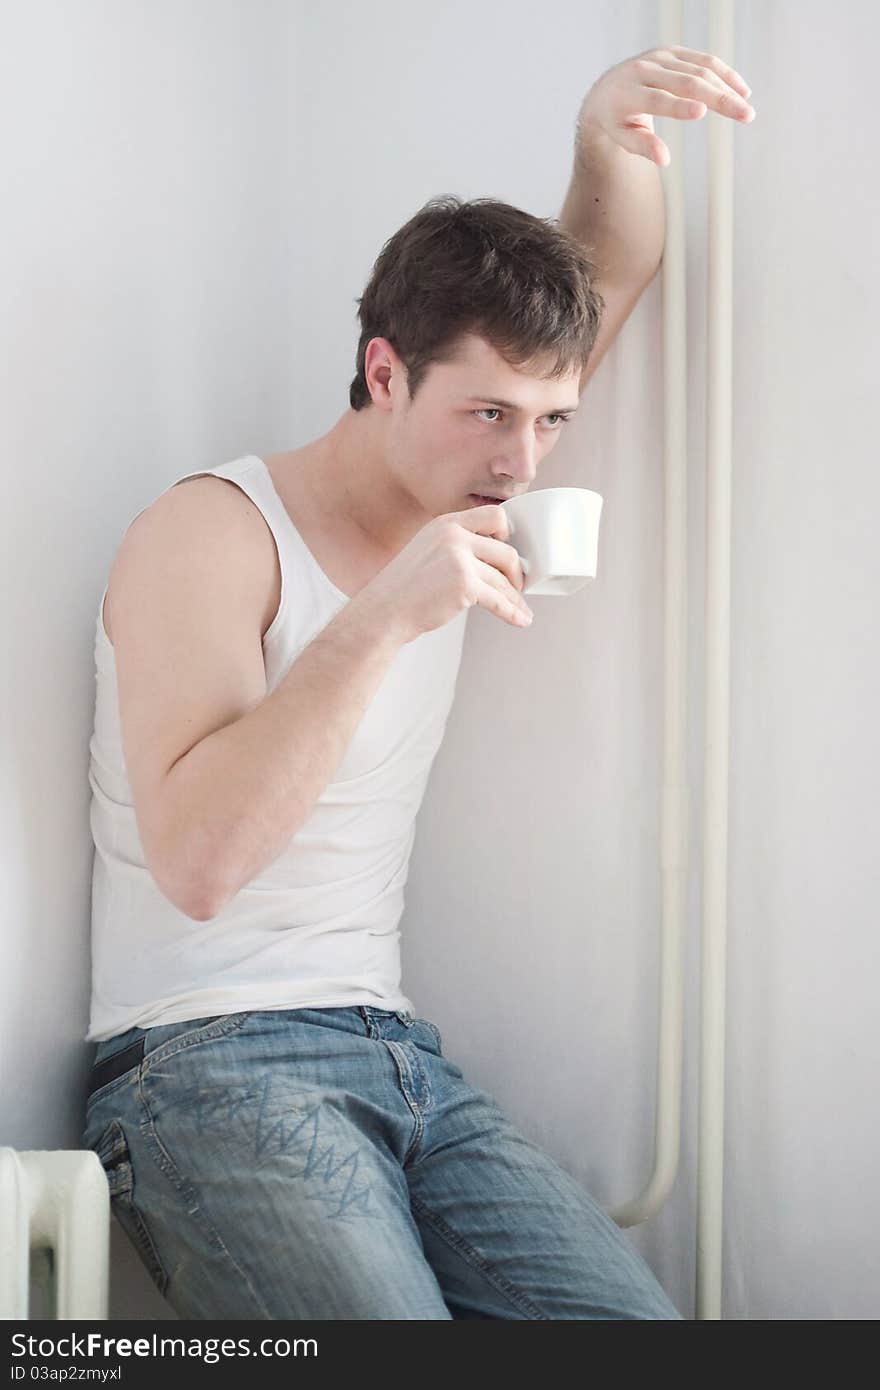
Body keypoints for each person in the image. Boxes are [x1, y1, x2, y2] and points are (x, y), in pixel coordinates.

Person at [82, 194, 683, 1320]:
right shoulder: (210, 530)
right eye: (491, 414)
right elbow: (199, 866)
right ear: (384, 371)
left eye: (552, 420)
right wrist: (383, 613)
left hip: (402, 1056)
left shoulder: (462, 474)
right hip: (206, 1061)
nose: (520, 461)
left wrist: (613, 133)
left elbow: (612, 260)